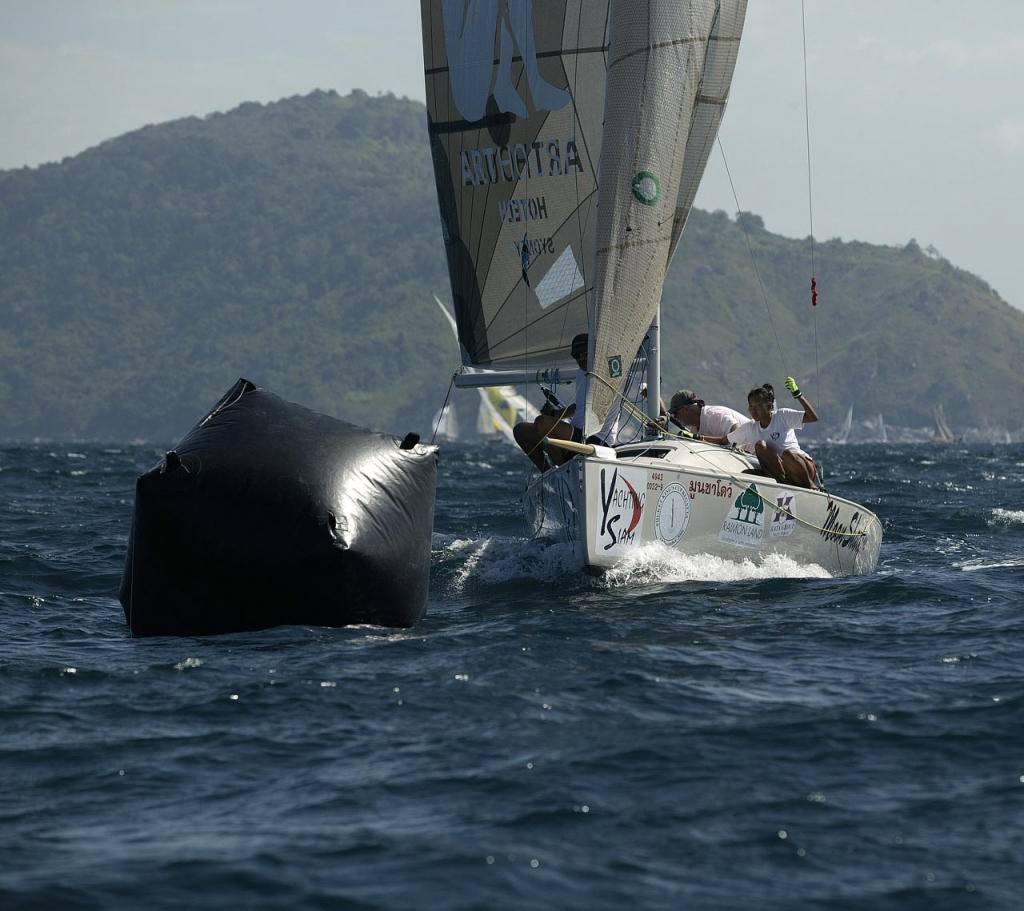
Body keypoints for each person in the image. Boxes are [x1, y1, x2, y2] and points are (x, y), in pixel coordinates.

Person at [513, 332, 589, 470]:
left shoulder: (607, 372)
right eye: (577, 355)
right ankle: (549, 475)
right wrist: (555, 414)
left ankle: (564, 471)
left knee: (542, 422)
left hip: (596, 437)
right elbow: (580, 406)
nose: (581, 358)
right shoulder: (581, 373)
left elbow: (638, 385)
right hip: (575, 434)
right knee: (520, 430)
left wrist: (643, 390)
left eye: (585, 353)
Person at [726, 377, 819, 488]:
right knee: (760, 446)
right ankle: (784, 485)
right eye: (751, 406)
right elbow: (725, 440)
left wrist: (797, 394)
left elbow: (812, 417)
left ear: (769, 406)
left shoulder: (783, 416)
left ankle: (811, 487)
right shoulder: (750, 427)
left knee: (787, 454)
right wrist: (700, 437)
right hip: (784, 472)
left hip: (804, 468)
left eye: (758, 406)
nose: (753, 410)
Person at [667, 389, 753, 452]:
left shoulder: (714, 415)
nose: (676, 417)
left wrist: (698, 438)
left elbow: (737, 431)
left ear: (685, 409)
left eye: (675, 413)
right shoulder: (694, 429)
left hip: (754, 455)